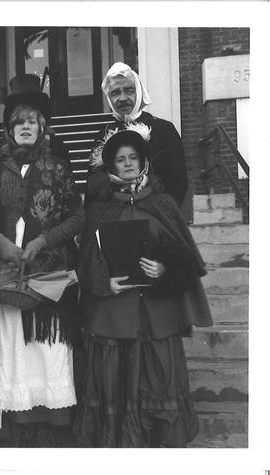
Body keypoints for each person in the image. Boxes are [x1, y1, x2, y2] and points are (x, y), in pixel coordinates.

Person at [75, 123, 212, 447]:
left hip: (155, 313)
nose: (127, 163)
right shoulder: (98, 207)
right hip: (113, 310)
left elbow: (186, 257)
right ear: (110, 165)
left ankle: (155, 437)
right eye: (120, 159)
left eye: (133, 157)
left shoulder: (162, 203)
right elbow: (86, 258)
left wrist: (164, 268)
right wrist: (103, 282)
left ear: (144, 161)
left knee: (156, 375)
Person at [0, 74, 85, 447]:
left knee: (46, 349)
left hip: (48, 274)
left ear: (43, 127)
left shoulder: (58, 169)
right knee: (13, 349)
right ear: (9, 128)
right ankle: (13, 418)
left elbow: (77, 217)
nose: (26, 127)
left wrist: (42, 240)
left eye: (32, 121)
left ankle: (49, 421)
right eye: (19, 121)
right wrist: (0, 241)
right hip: (6, 277)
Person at [87, 62, 188, 207]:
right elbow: (93, 189)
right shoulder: (102, 137)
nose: (122, 98)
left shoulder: (164, 130)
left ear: (139, 91)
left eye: (129, 90)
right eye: (115, 93)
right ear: (109, 97)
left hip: (157, 218)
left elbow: (178, 183)